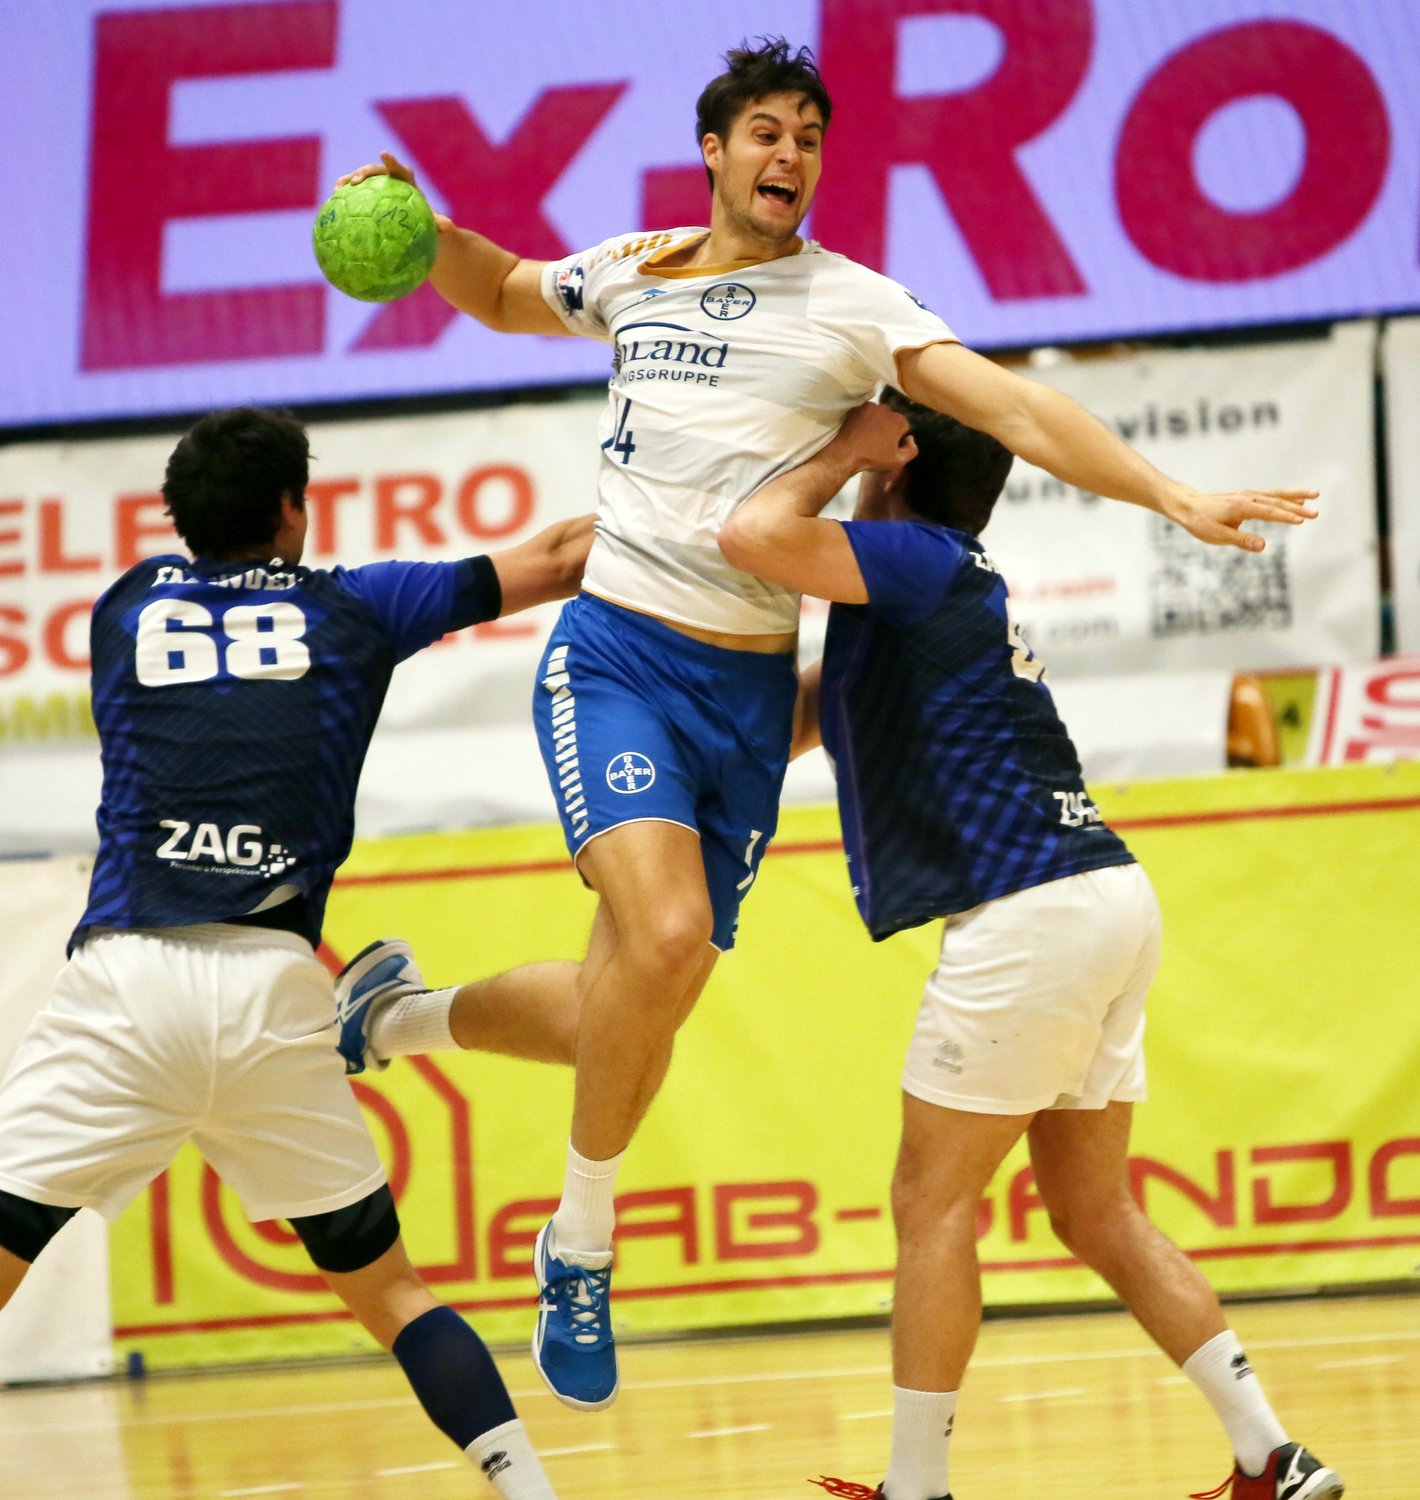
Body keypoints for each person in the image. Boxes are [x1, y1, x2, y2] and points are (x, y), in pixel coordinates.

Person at [332, 37, 1318, 1414]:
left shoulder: (854, 305)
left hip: (741, 690)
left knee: (635, 990)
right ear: (717, 150)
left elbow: (1019, 405)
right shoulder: (631, 267)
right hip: (615, 654)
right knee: (665, 942)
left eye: (808, 138)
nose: (788, 156)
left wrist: (1171, 497)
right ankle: (582, 1238)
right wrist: (429, 229)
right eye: (766, 133)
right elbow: (499, 290)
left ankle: (401, 1015)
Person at [714, 394, 1339, 1500]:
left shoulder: (908, 557)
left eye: (880, 437)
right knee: (1095, 1212)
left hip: (1032, 907)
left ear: (896, 461)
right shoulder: (928, 579)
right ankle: (1272, 1456)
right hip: (1101, 893)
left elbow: (754, 534)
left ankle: (918, 1489)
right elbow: (806, 717)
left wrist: (836, 452)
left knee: (931, 1204)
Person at [0, 408, 592, 1500]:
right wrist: (724, 516)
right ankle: (529, 1489)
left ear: (175, 520)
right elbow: (560, 556)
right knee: (391, 1293)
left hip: (125, 982)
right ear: (292, 508)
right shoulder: (356, 607)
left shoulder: (123, 608)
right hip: (275, 991)